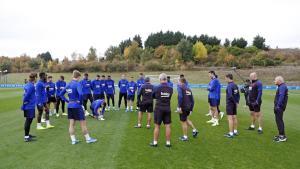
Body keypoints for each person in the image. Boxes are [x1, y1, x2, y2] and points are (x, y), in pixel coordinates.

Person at [59, 70, 97, 145]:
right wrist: (80, 102)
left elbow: (60, 94)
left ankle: (73, 140)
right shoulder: (77, 84)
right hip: (77, 106)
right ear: (78, 76)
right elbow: (81, 94)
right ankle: (88, 139)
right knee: (83, 123)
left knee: (71, 124)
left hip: (70, 106)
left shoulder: (68, 84)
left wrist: (67, 101)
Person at [150, 73, 173, 147]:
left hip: (159, 108)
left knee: (157, 126)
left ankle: (155, 142)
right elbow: (169, 97)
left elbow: (152, 96)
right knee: (168, 126)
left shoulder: (156, 87)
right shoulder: (170, 88)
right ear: (166, 79)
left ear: (160, 79)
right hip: (167, 108)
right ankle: (168, 143)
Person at [22, 73, 37, 142]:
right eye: (36, 78)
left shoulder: (27, 85)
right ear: (34, 78)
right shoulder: (31, 86)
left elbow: (25, 94)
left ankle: (27, 134)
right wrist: (24, 103)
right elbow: (26, 96)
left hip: (28, 105)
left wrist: (24, 104)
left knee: (28, 121)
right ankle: (26, 137)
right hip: (29, 106)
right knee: (28, 121)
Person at [224, 74, 240, 138]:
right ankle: (235, 131)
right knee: (234, 117)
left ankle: (231, 133)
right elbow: (238, 95)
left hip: (230, 104)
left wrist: (234, 102)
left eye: (225, 78)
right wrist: (237, 102)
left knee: (230, 118)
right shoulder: (235, 85)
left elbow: (230, 96)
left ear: (228, 78)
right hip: (234, 104)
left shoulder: (229, 85)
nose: (225, 79)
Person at [273, 76, 288, 142]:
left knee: (279, 120)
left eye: (275, 80)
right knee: (278, 120)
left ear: (279, 81)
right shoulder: (281, 86)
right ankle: (281, 134)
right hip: (279, 106)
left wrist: (278, 106)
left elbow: (281, 97)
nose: (274, 81)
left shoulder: (282, 87)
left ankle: (282, 136)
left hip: (279, 107)